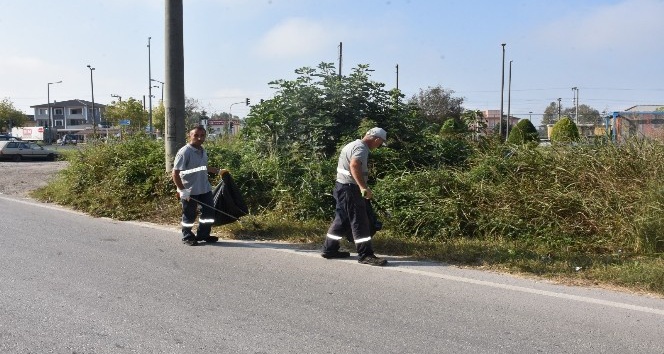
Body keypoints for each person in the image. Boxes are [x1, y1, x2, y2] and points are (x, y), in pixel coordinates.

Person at [321, 127, 388, 266]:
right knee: (360, 221)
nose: (379, 145)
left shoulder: (351, 144)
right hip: (350, 188)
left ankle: (329, 249)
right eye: (380, 142)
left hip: (341, 187)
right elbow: (355, 165)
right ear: (376, 139)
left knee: (342, 219)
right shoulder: (361, 148)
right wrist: (363, 187)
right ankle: (365, 255)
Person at [172, 125, 226, 246]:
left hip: (204, 188)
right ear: (190, 136)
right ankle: (187, 236)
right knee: (189, 214)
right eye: (196, 135)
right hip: (189, 190)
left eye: (202, 135)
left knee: (209, 212)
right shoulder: (185, 152)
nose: (199, 138)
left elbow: (203, 167)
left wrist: (218, 171)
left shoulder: (202, 150)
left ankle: (203, 234)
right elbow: (175, 173)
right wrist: (182, 190)